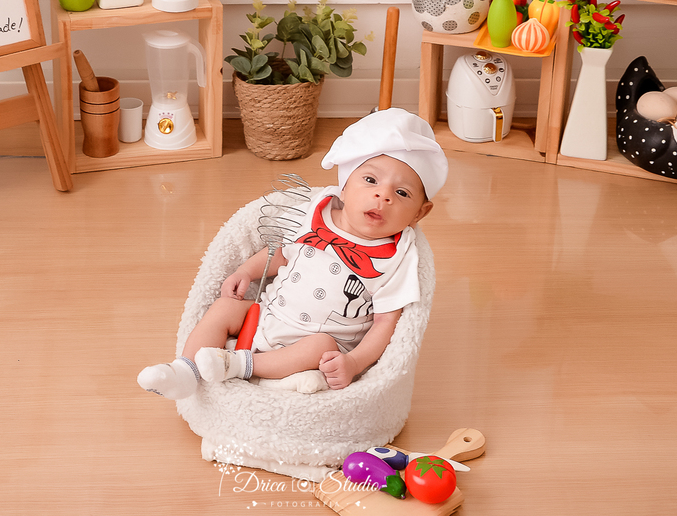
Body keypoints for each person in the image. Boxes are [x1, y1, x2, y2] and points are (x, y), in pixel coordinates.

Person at [137, 107, 448, 400]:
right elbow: (281, 254)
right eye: (370, 180)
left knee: (320, 345)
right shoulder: (318, 213)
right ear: (344, 184)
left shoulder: (398, 255)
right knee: (224, 308)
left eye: (402, 193)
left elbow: (386, 323)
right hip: (266, 318)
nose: (383, 196)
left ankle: (240, 366)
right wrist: (246, 271)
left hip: (320, 347)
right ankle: (185, 372)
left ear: (420, 213)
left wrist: (352, 362)